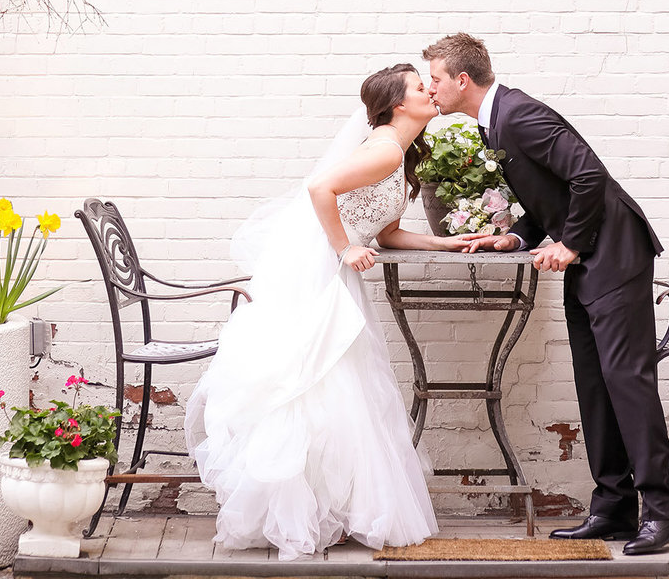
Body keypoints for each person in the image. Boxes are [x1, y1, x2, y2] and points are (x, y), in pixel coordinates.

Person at [185, 64, 471, 559]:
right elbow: (321, 189)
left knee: (340, 382)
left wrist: (447, 243)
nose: (431, 90)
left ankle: (329, 510)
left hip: (337, 268)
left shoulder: (400, 156)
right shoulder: (383, 148)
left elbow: (386, 234)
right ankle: (301, 510)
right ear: (399, 104)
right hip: (318, 268)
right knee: (311, 379)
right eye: (420, 87)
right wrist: (342, 249)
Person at [423, 33, 669, 556]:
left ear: (462, 80)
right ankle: (612, 507)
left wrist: (569, 244)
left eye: (434, 79)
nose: (430, 90)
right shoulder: (495, 120)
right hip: (588, 258)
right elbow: (552, 192)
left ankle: (661, 512)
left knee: (627, 382)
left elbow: (589, 176)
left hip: (614, 253)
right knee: (595, 384)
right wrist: (518, 237)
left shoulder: (518, 114)